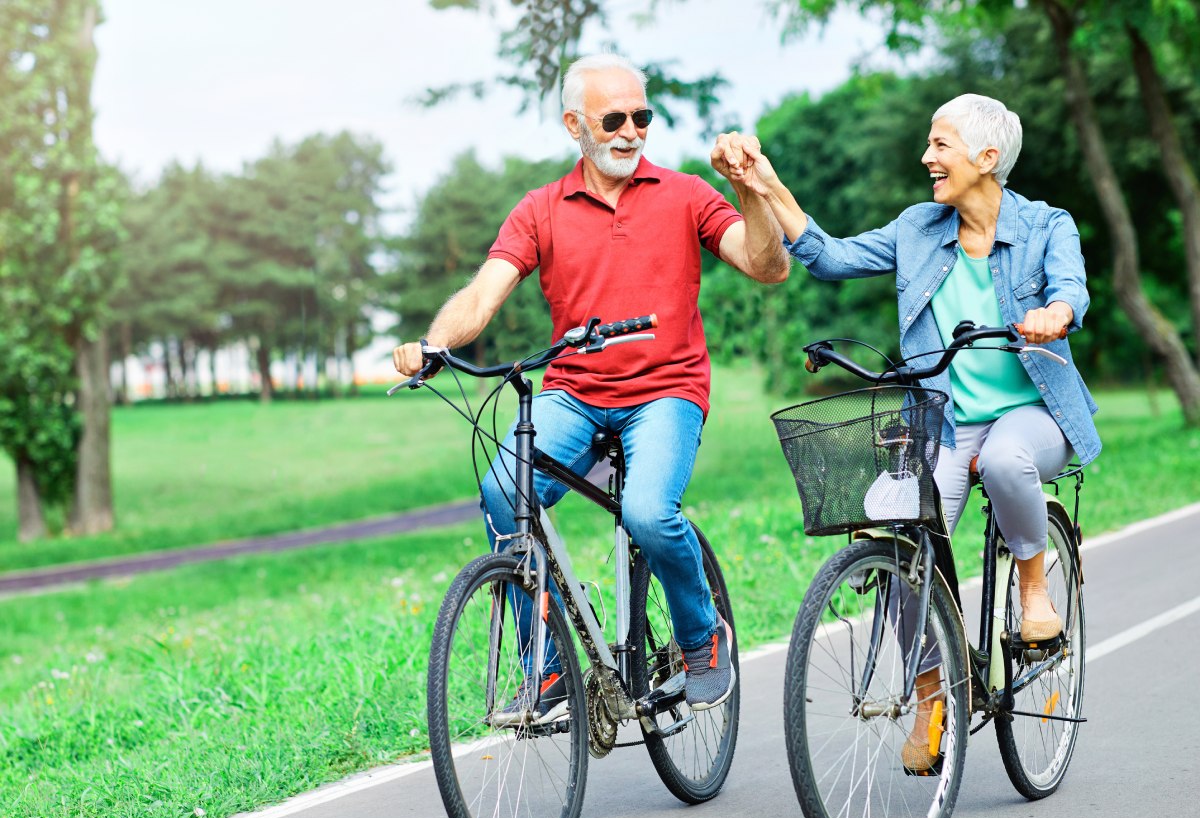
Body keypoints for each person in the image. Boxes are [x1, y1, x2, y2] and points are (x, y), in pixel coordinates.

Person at [712, 93, 1101, 771]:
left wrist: (1055, 313)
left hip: (1032, 414)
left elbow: (1072, 287)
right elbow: (829, 257)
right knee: (899, 540)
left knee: (1010, 460)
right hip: (945, 419)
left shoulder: (1046, 226)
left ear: (986, 158)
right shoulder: (919, 229)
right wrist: (764, 182)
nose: (927, 157)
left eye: (940, 144)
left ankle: (1034, 590)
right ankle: (931, 690)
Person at [394, 53, 789, 718]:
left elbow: (766, 264)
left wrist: (748, 190)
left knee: (646, 513)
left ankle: (701, 637)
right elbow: (483, 295)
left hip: (666, 391)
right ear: (575, 124)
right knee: (502, 491)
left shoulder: (687, 193)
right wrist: (434, 344)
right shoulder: (541, 210)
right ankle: (547, 671)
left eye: (643, 117)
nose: (631, 131)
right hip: (574, 393)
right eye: (614, 118)